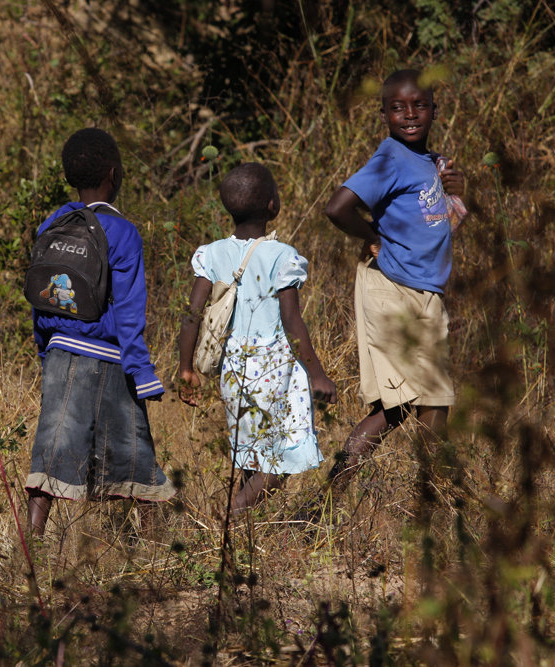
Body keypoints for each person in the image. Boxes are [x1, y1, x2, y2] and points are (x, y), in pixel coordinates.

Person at [24, 128, 175, 536]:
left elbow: (43, 299)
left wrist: (46, 350)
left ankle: (32, 540)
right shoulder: (123, 231)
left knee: (53, 446)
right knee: (133, 452)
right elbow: (128, 312)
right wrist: (142, 373)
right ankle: (157, 548)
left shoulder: (52, 223)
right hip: (110, 359)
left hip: (59, 353)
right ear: (113, 173)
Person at [323, 69, 466, 496]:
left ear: (434, 111)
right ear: (383, 113)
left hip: (426, 292)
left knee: (409, 404)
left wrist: (458, 192)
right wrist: (372, 237)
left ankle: (336, 500)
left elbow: (440, 225)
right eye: (398, 107)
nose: (409, 115)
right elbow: (337, 208)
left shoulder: (433, 163)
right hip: (394, 289)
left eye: (419, 105)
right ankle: (431, 497)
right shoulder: (389, 158)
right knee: (417, 400)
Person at [178, 163, 337, 513]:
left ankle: (240, 535)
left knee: (253, 451)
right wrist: (317, 374)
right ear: (272, 206)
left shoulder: (212, 253)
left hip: (231, 369)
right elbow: (291, 319)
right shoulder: (281, 256)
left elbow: (192, 313)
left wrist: (185, 367)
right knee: (280, 457)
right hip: (272, 369)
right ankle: (229, 519)